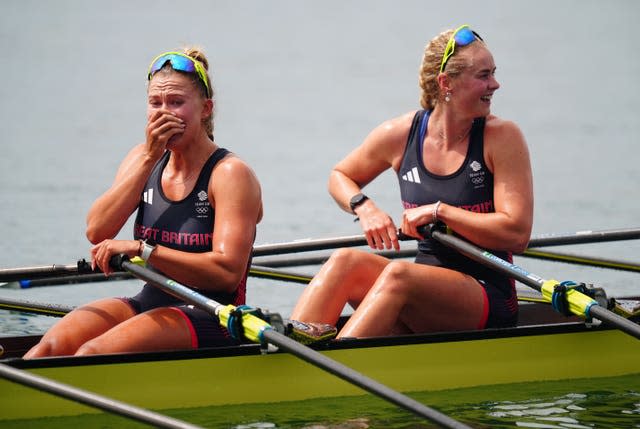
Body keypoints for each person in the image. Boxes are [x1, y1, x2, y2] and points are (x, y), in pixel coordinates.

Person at [290, 25, 533, 339]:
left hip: (487, 294)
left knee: (398, 274)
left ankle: (331, 367)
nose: (495, 84)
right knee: (344, 261)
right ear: (446, 83)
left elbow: (517, 233)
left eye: (493, 73)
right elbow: (340, 176)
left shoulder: (500, 137)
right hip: (423, 289)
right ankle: (287, 357)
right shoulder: (401, 134)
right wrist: (365, 208)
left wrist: (440, 212)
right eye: (483, 76)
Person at [25, 47, 263, 357]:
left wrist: (142, 250)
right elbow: (97, 230)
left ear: (205, 109)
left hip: (212, 313)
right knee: (48, 349)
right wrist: (151, 157)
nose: (164, 113)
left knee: (90, 354)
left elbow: (226, 273)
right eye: (155, 103)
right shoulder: (142, 157)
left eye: (176, 103)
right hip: (150, 299)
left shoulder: (230, 174)